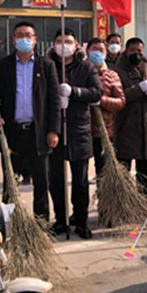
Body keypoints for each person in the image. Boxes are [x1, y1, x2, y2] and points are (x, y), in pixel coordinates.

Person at [0, 21, 60, 222]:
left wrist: (53, 130)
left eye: (28, 35)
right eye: (20, 35)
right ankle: (9, 222)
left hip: (38, 132)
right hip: (12, 132)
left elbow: (54, 99)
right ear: (14, 40)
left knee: (41, 182)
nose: (24, 39)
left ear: (35, 40)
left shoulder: (47, 65)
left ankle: (41, 222)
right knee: (10, 181)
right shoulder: (2, 66)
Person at [48, 28, 102, 239]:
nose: (64, 45)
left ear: (76, 44)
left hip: (79, 130)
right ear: (53, 44)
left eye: (68, 41)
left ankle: (81, 221)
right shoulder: (48, 66)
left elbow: (96, 92)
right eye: (60, 41)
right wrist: (55, 99)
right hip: (55, 130)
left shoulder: (86, 66)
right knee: (56, 180)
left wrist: (75, 92)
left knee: (80, 182)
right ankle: (61, 220)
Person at [113, 37, 147, 199]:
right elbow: (118, 98)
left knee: (146, 171)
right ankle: (124, 203)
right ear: (126, 51)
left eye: (139, 51)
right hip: (125, 127)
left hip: (146, 129)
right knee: (123, 169)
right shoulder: (117, 72)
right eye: (133, 51)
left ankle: (144, 201)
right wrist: (138, 89)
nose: (136, 54)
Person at [86, 37, 125, 178]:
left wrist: (101, 100)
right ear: (87, 51)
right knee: (81, 168)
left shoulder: (111, 75)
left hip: (103, 129)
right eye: (94, 49)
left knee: (102, 167)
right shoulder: (81, 72)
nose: (97, 53)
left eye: (101, 50)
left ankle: (103, 191)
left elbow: (120, 101)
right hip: (83, 129)